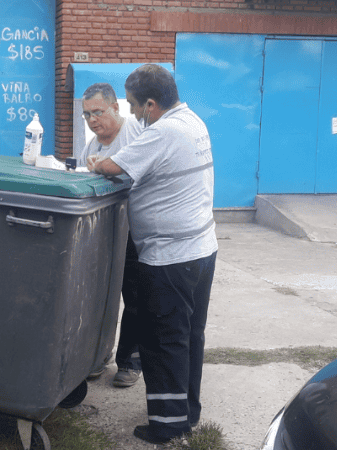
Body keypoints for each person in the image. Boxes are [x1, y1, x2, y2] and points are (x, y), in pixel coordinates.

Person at [87, 64, 218, 445]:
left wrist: (96, 163)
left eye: (131, 105)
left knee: (163, 342)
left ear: (150, 102)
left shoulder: (163, 131)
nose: (131, 113)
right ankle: (187, 413)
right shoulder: (193, 122)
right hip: (201, 250)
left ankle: (167, 425)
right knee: (189, 336)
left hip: (170, 258)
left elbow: (112, 166)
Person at [78, 83, 144, 388]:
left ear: (115, 107)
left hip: (135, 229)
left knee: (134, 296)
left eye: (98, 112)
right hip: (103, 232)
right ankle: (97, 356)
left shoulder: (135, 133)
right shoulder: (91, 147)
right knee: (98, 296)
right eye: (87, 114)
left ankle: (129, 362)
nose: (92, 119)